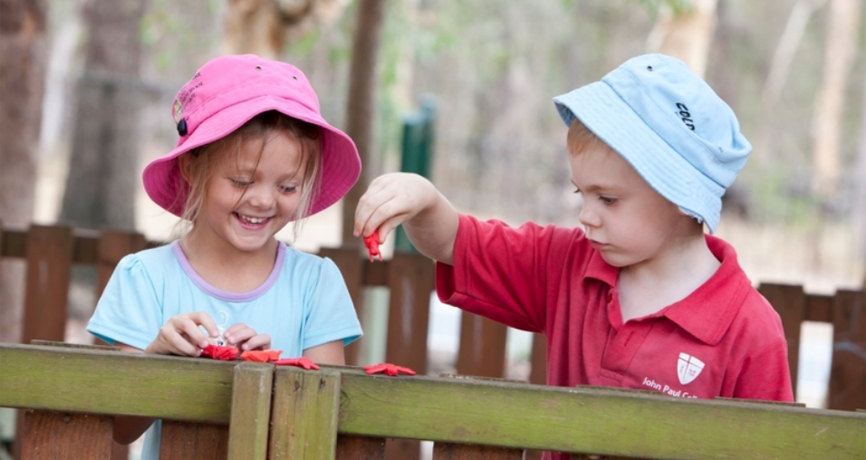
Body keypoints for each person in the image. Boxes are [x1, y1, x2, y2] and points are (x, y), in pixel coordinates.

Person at [355, 53, 793, 457]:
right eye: (581, 193)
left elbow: (773, 448)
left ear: (680, 194)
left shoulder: (749, 332)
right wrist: (424, 200)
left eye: (608, 199)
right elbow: (454, 243)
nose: (586, 216)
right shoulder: (566, 264)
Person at [87, 54, 363, 459]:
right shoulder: (142, 277)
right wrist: (158, 359)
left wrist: (270, 378)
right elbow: (120, 429)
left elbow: (328, 427)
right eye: (242, 181)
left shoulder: (316, 284)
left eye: (288, 187)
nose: (264, 200)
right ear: (191, 168)